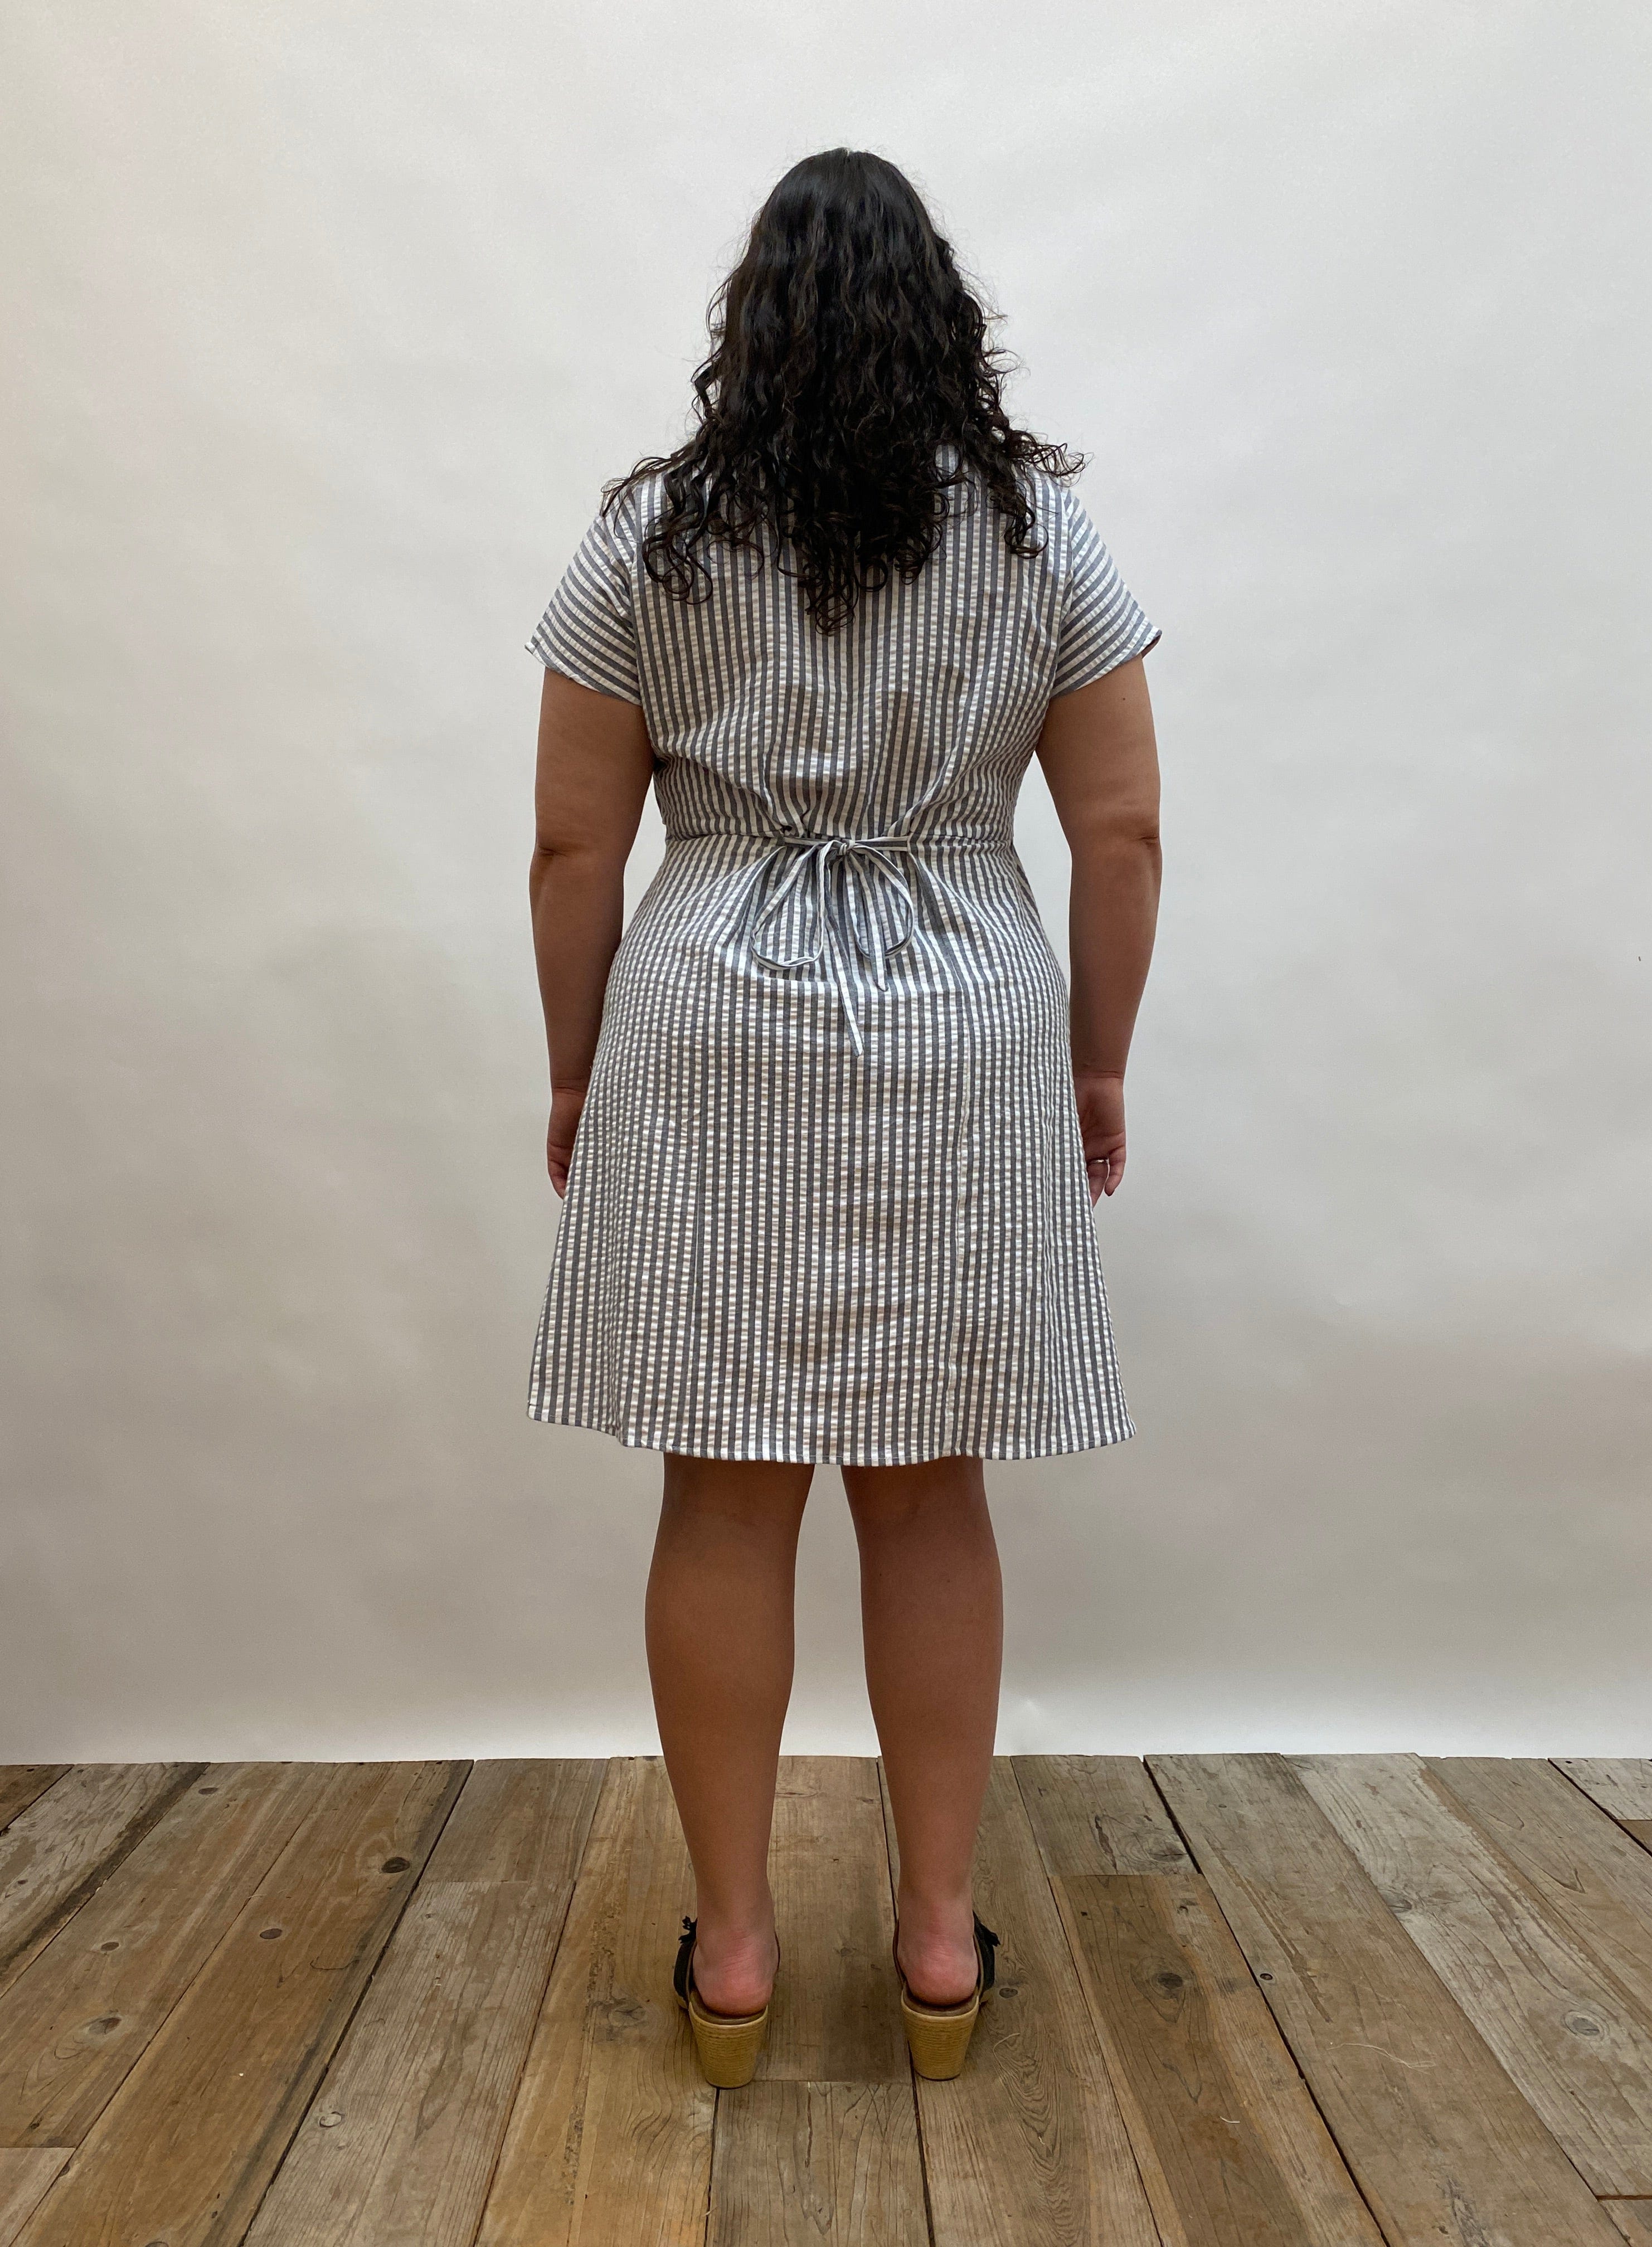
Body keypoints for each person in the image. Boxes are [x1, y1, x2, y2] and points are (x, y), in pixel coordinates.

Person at [525, 148, 1161, 2086]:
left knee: (723, 1490)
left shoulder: (650, 542)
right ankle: (939, 1942)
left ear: (756, 329)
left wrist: (573, 1065)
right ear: (945, 325)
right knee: (930, 1486)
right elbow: (1124, 831)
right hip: (964, 1019)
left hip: (710, 1018)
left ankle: (731, 1954)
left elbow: (572, 848)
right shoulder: (1042, 537)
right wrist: (1099, 1059)